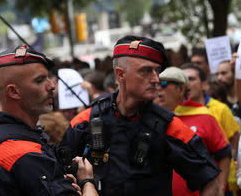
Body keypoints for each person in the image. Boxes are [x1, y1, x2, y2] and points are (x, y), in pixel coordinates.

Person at [61, 35, 222, 196]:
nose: (156, 79)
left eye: (157, 71)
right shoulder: (85, 121)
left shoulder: (169, 126)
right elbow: (59, 179)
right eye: (145, 71)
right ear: (121, 74)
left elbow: (210, 179)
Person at [0, 45, 98, 196]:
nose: (52, 86)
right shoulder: (24, 154)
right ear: (13, 91)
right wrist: (87, 182)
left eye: (48, 78)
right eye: (40, 80)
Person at [156, 66, 231, 195]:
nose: (158, 89)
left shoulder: (204, 117)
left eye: (164, 84)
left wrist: (220, 189)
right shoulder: (152, 118)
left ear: (181, 89)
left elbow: (224, 154)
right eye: (156, 84)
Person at [181, 63, 240, 195]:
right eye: (183, 80)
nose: (187, 84)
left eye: (191, 79)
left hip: (222, 183)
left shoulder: (220, 109)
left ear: (204, 85)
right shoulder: (174, 111)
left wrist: (230, 157)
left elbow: (235, 138)